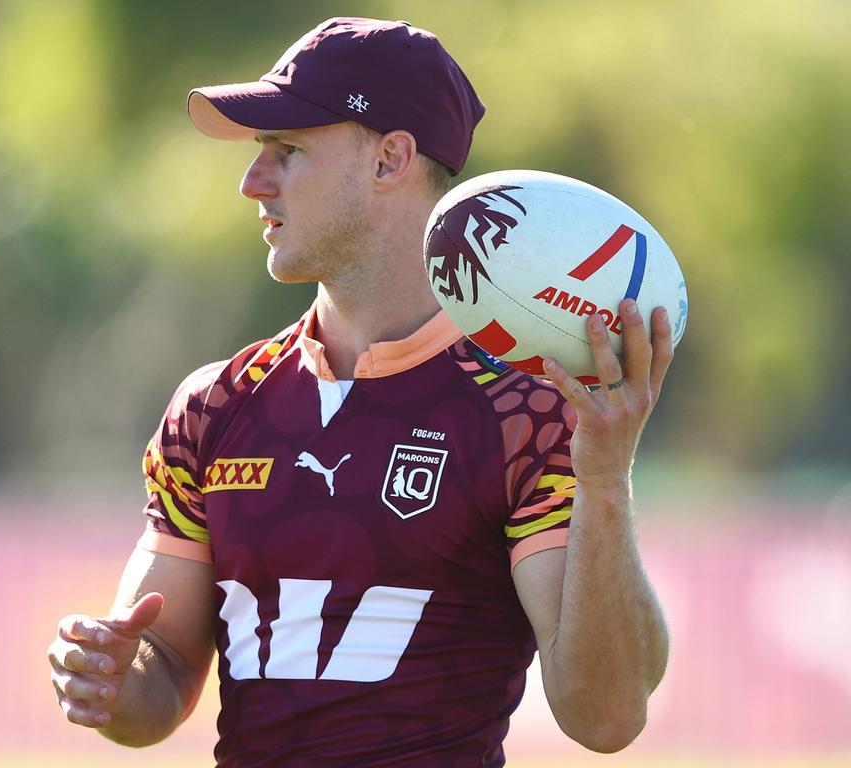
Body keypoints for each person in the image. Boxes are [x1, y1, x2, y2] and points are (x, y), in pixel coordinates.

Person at [48, 17, 673, 767]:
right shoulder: (215, 405)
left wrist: (605, 480)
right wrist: (114, 678)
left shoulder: (526, 410)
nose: (253, 182)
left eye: (289, 152)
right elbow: (166, 670)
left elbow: (603, 720)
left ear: (390, 160)